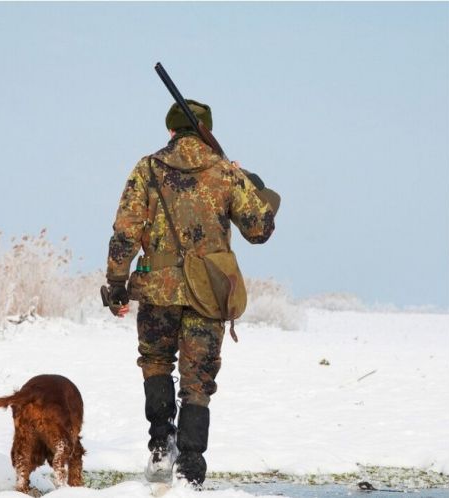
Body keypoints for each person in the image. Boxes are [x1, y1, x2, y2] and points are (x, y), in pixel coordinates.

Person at [104, 100, 280, 487]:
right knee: (198, 381)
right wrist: (251, 184)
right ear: (205, 130)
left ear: (171, 131)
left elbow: (125, 231)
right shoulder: (224, 172)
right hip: (209, 293)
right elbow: (259, 230)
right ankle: (190, 467)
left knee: (155, 362)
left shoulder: (147, 168)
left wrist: (117, 283)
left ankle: (160, 446)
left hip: (156, 290)